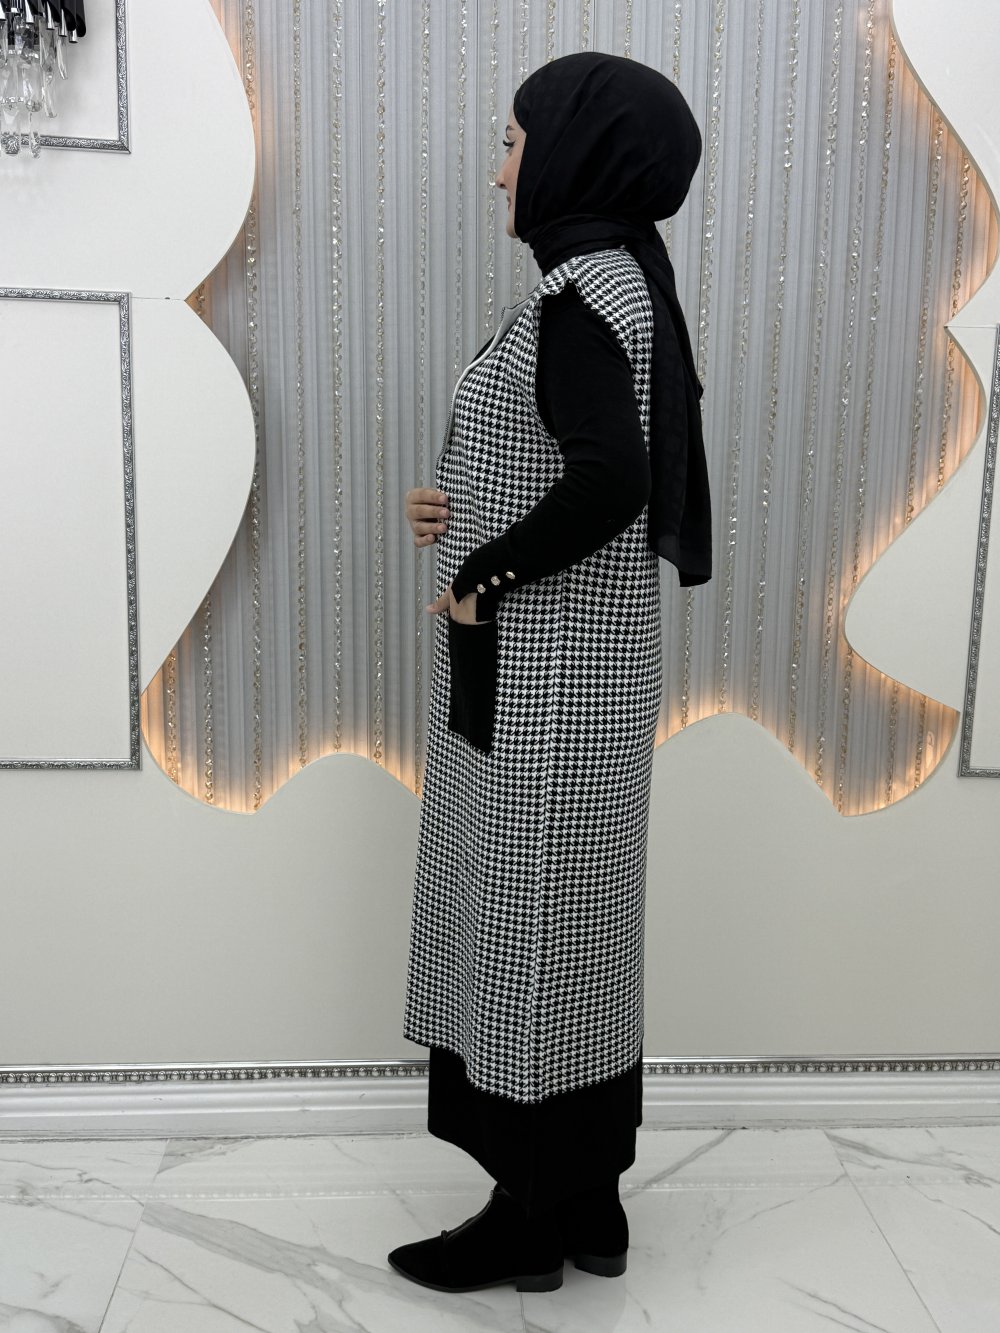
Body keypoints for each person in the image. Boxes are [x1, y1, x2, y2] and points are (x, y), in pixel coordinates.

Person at [390, 51, 710, 1295]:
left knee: (523, 935)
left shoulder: (582, 294)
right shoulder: (620, 280)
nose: (499, 171)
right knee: (575, 941)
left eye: (512, 143)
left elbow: (609, 479)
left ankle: (525, 1219)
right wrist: (458, 503)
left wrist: (483, 571)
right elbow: (567, 454)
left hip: (543, 687)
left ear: (580, 152)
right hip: (579, 682)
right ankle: (589, 1204)